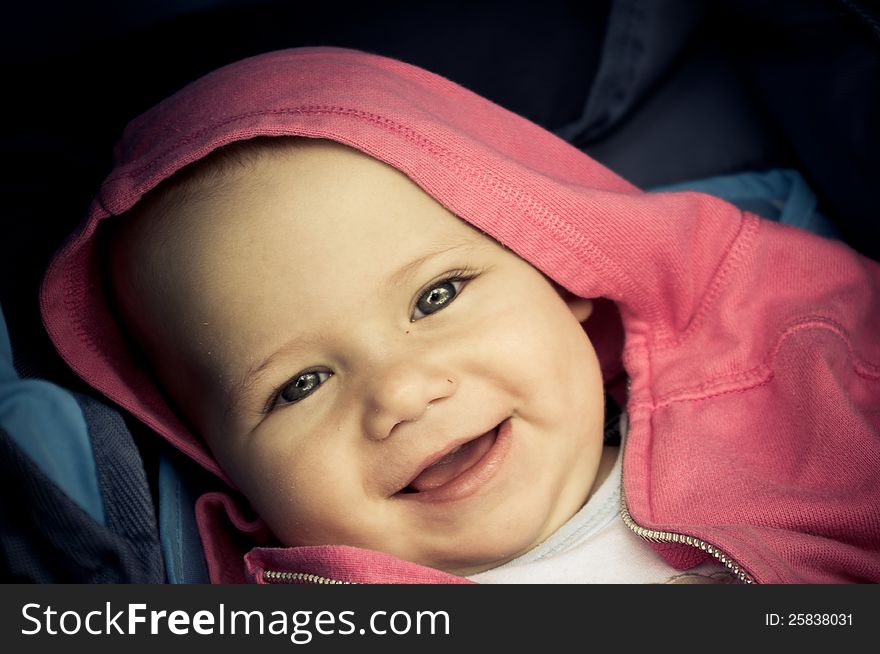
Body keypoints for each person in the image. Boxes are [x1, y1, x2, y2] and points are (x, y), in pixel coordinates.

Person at [40, 47, 880, 584]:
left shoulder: (807, 423)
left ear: (561, 272)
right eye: (298, 384)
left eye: (434, 297)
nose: (402, 392)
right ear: (221, 464)